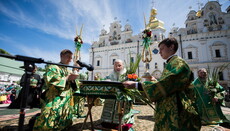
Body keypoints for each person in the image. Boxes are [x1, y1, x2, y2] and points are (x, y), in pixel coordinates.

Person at [123, 38, 201, 131]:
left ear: (171, 47)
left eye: (162, 49)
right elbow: (168, 84)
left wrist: (137, 85)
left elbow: (169, 83)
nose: (159, 52)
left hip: (178, 108)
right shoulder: (171, 63)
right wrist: (155, 81)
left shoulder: (178, 63)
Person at [33, 49, 79, 130]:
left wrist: (73, 79)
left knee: (63, 115)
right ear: (61, 56)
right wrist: (67, 78)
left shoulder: (68, 70)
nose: (70, 59)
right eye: (68, 57)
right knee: (50, 116)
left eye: (71, 58)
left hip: (66, 98)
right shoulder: (53, 67)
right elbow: (51, 80)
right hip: (54, 97)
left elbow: (73, 84)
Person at [98, 59, 134, 131]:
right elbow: (105, 80)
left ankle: (123, 123)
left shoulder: (127, 75)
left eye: (119, 65)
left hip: (123, 98)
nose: (117, 67)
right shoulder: (111, 74)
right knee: (107, 121)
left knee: (123, 116)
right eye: (115, 65)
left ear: (122, 66)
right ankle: (107, 122)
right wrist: (106, 81)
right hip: (111, 98)